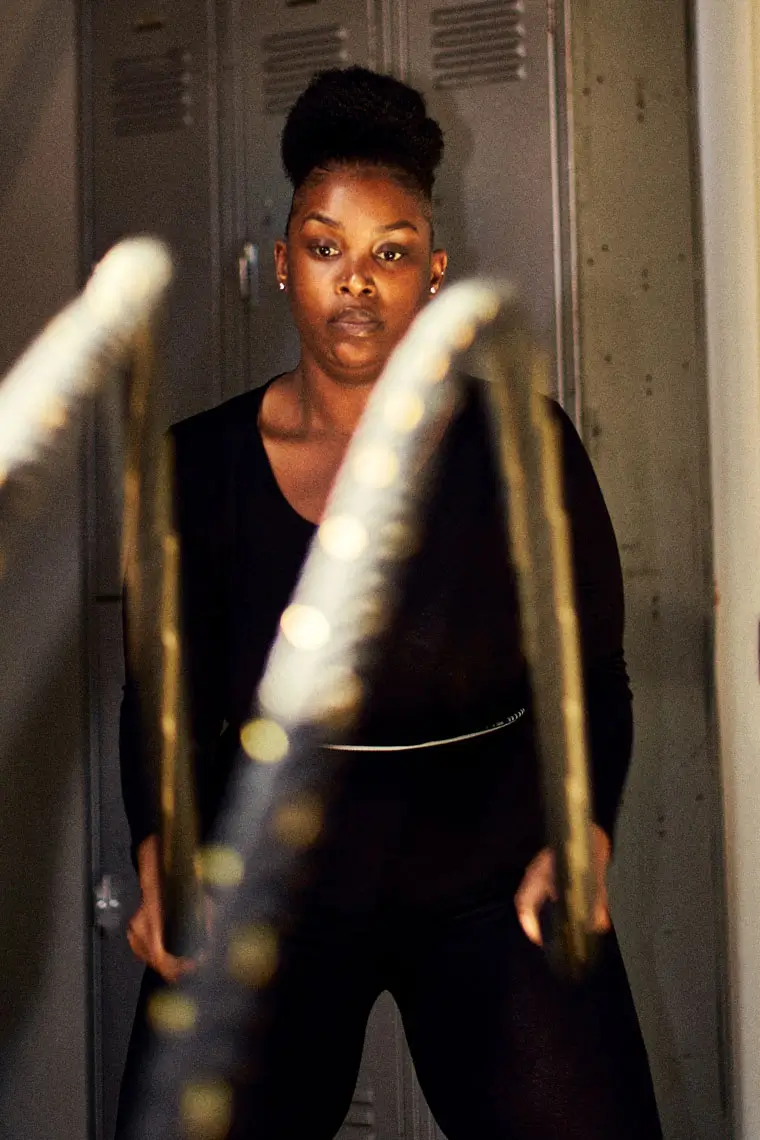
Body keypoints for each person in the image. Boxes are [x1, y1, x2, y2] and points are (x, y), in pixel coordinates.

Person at [117, 66, 662, 1139]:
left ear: (432, 274)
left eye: (390, 252)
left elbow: (591, 676)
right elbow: (156, 701)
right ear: (282, 266)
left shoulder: (523, 445)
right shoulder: (195, 468)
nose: (355, 282)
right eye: (325, 247)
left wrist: (585, 833)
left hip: (488, 871)